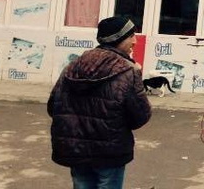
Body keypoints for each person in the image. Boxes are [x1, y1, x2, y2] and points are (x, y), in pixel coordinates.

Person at [48, 16, 151, 189]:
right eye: (131, 36)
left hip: (76, 149)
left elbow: (53, 107)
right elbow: (140, 117)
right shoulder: (128, 71)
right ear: (118, 39)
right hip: (110, 153)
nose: (135, 41)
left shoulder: (72, 66)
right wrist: (137, 77)